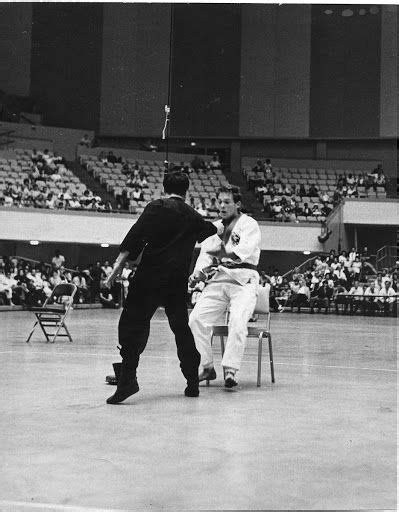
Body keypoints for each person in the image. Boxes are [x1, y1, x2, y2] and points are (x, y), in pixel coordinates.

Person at [104, 170, 218, 404]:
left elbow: (133, 240)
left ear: (163, 188)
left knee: (132, 325)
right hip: (176, 282)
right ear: (187, 191)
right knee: (181, 330)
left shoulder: (156, 207)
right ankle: (192, 382)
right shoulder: (193, 216)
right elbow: (210, 230)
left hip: (150, 278)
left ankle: (128, 381)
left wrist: (114, 271)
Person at [188, 185, 261, 389]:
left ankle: (230, 370)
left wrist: (219, 259)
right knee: (195, 319)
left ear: (237, 204)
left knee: (237, 321)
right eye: (219, 201)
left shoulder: (249, 224)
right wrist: (197, 274)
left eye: (227, 202)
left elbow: (243, 251)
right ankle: (207, 366)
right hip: (218, 282)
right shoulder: (213, 227)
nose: (221, 205)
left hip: (243, 281)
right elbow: (205, 256)